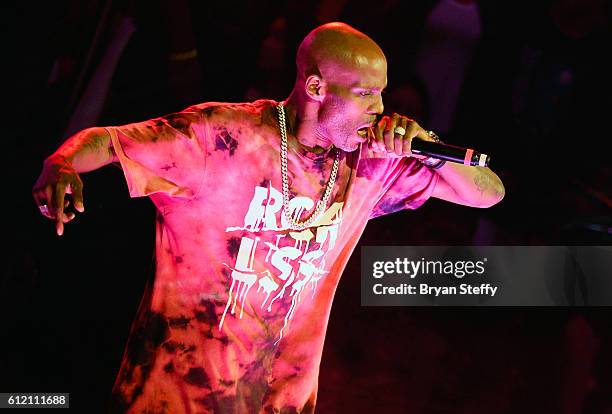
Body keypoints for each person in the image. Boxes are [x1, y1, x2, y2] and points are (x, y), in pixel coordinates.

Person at [32, 22, 504, 414]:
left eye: (380, 94)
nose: (379, 109)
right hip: (173, 397)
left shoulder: (369, 165)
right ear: (316, 86)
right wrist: (61, 165)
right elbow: (106, 141)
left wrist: (428, 145)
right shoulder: (223, 137)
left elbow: (488, 194)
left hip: (279, 403)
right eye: (365, 94)